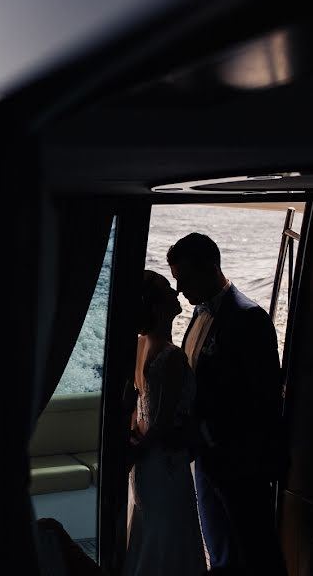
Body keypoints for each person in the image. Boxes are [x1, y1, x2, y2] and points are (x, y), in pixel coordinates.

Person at [167, 233, 288, 575]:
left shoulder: (249, 318)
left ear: (211, 268)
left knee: (257, 552)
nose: (180, 290)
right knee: (221, 555)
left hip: (241, 461)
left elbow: (262, 400)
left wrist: (204, 430)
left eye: (185, 279)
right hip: (206, 460)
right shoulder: (199, 314)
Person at [123, 270, 206, 576]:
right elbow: (163, 423)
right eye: (169, 290)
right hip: (167, 465)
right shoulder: (171, 357)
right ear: (158, 307)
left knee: (153, 536)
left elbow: (141, 412)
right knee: (172, 538)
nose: (177, 293)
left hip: (148, 469)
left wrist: (136, 445)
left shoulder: (139, 345)